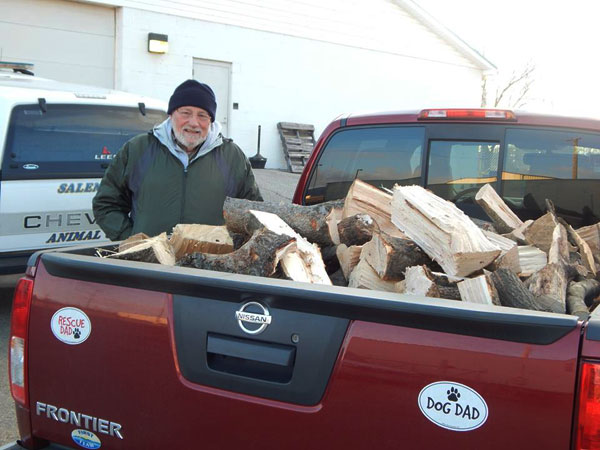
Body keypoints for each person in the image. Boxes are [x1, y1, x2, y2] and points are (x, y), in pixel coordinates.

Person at [93, 79, 263, 241]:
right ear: (171, 114)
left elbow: (254, 213)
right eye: (185, 113)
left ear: (211, 120)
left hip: (208, 266)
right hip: (149, 265)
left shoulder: (232, 157)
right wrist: (131, 240)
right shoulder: (138, 149)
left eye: (202, 115)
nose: (194, 122)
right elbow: (107, 204)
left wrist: (234, 250)